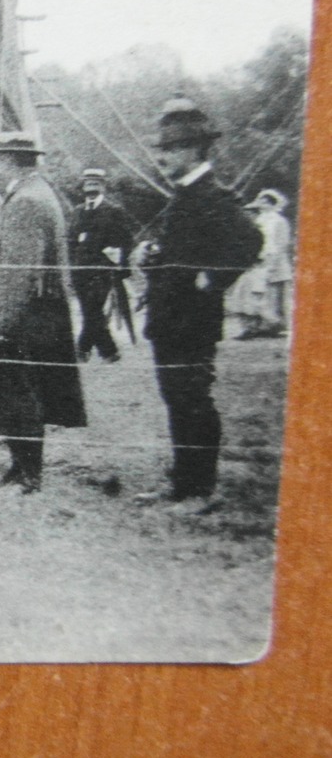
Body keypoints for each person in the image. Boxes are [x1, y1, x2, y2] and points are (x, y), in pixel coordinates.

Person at [134, 101, 263, 510]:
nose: (161, 157)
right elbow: (184, 249)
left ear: (193, 150)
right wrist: (154, 253)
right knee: (177, 399)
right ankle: (182, 483)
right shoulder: (185, 194)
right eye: (162, 149)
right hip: (170, 317)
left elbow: (249, 239)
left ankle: (199, 489)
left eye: (169, 150)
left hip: (192, 320)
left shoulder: (212, 194)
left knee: (193, 400)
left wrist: (213, 278)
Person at [0, 134, 86, 492]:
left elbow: (19, 270)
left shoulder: (26, 200)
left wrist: (1, 322)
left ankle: (29, 473)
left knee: (20, 395)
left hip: (22, 320)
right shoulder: (28, 193)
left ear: (10, 161)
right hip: (30, 316)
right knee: (17, 393)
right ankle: (20, 466)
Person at [69, 169, 136, 362]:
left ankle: (88, 348)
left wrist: (119, 262)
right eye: (88, 184)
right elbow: (71, 241)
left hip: (102, 271)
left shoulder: (113, 211)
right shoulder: (77, 212)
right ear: (83, 188)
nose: (91, 189)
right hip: (80, 271)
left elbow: (126, 240)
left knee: (92, 308)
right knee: (90, 311)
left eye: (96, 184)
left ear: (103, 187)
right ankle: (105, 351)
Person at [231, 188, 294, 339]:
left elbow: (281, 244)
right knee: (248, 293)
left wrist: (272, 264)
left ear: (273, 204)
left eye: (266, 202)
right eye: (261, 201)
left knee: (270, 298)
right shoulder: (259, 220)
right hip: (257, 261)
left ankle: (273, 327)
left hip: (273, 263)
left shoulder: (279, 221)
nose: (262, 204)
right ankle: (250, 327)